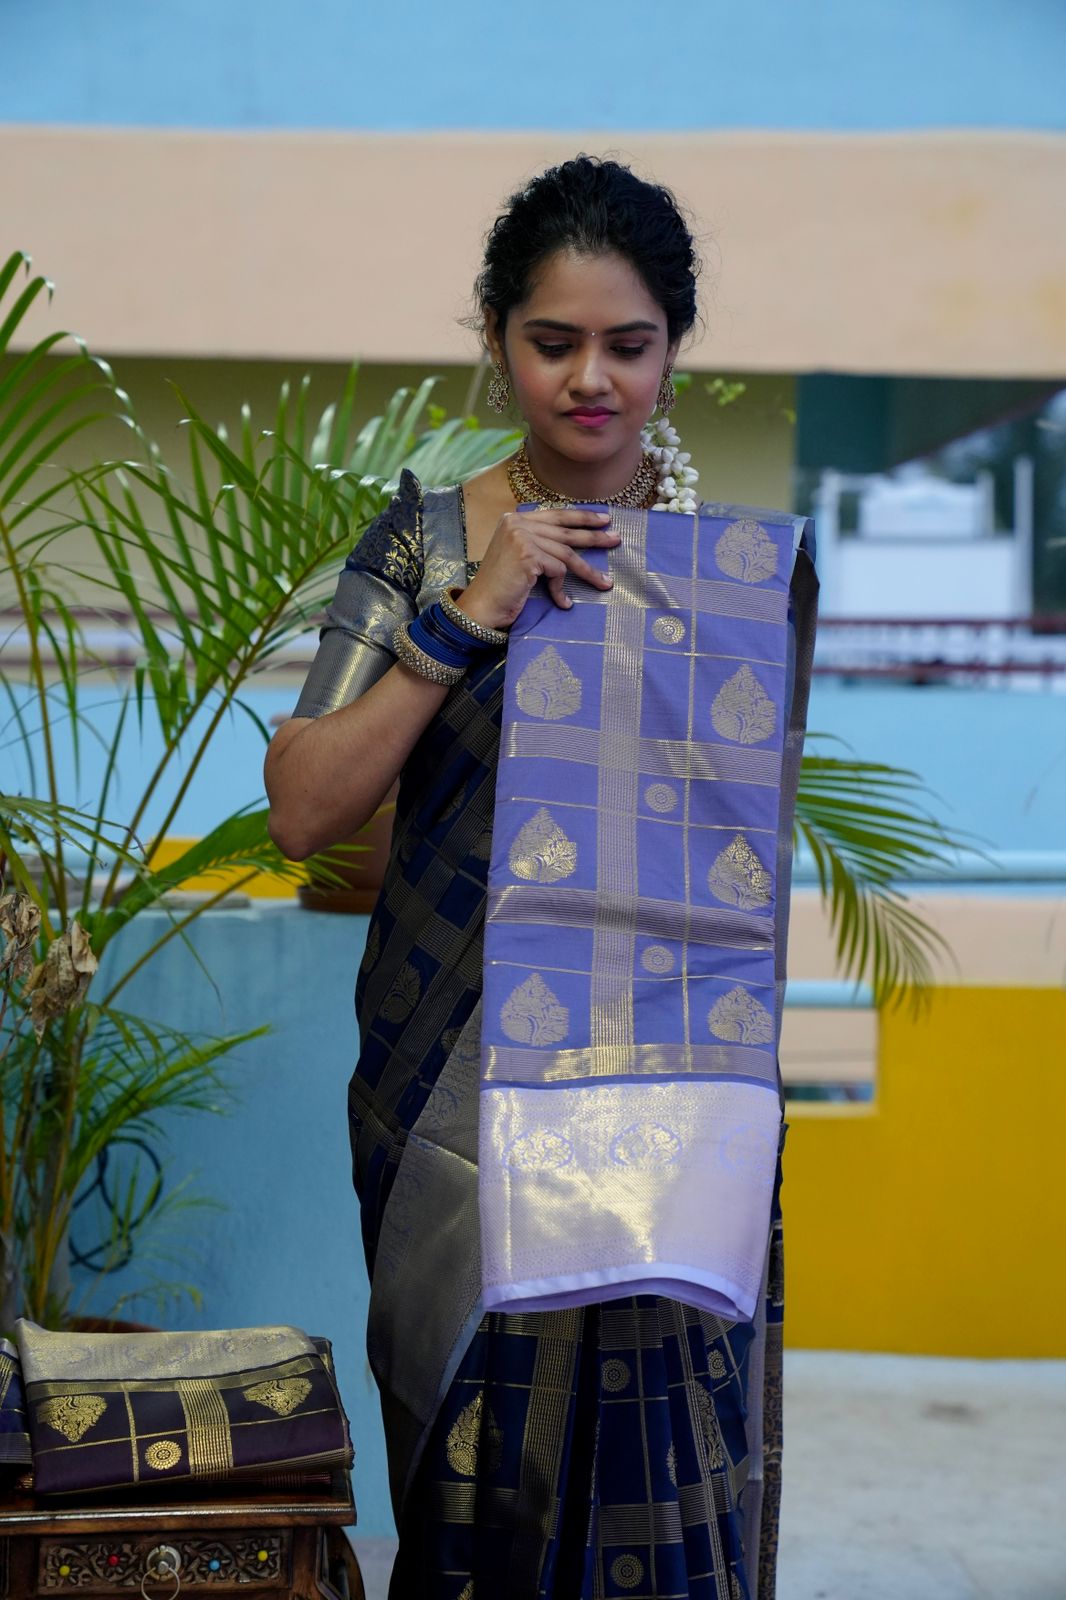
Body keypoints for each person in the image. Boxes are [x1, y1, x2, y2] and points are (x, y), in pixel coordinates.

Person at [266, 155, 817, 1600]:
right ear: (497, 340)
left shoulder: (730, 577)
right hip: (453, 1089)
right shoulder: (425, 544)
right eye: (551, 340)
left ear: (673, 354)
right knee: (475, 1468)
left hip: (674, 1082)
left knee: (664, 1467)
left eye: (627, 346)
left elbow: (748, 846)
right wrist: (473, 615)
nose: (590, 379)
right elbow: (302, 806)